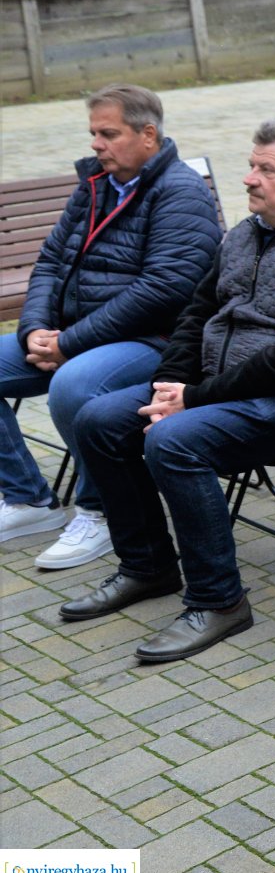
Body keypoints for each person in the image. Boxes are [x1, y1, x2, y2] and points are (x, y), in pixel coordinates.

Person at [61, 119, 275, 663]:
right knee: (99, 421)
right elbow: (197, 314)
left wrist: (193, 399)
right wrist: (170, 386)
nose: (248, 179)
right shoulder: (244, 234)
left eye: (266, 170)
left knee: (173, 441)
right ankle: (147, 566)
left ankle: (219, 600)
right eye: (251, 166)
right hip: (217, 391)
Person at [0, 85, 222, 573]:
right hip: (74, 333)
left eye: (108, 133)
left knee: (74, 385)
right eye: (94, 133)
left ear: (148, 135)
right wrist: (34, 328)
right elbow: (50, 261)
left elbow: (164, 289)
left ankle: (100, 511)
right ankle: (27, 499)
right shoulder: (95, 185)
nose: (96, 144)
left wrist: (70, 343)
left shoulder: (180, 191)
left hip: (153, 340)